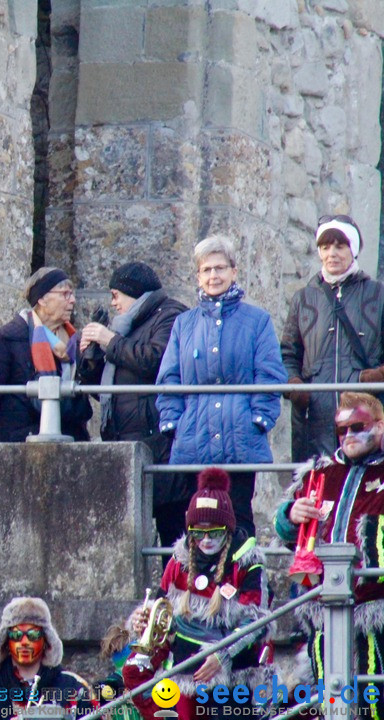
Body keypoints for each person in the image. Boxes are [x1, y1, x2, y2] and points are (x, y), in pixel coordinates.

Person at [156, 235, 286, 538]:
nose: (213, 276)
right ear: (198, 276)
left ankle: (245, 584)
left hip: (240, 436)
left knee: (239, 516)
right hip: (194, 437)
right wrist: (174, 422)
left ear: (234, 272)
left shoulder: (257, 321)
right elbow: (169, 378)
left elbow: (270, 374)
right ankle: (200, 584)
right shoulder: (184, 324)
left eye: (220, 268)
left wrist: (259, 419)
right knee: (198, 519)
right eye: (206, 270)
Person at [124, 468, 270, 720]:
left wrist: (221, 655)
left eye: (213, 532)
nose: (205, 540)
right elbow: (161, 610)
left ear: (228, 529)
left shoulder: (247, 563)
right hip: (186, 678)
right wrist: (141, 620)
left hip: (234, 679)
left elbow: (255, 622)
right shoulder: (178, 562)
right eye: (197, 532)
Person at [274, 392, 384, 690]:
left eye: (358, 427)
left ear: (380, 425)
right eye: (341, 430)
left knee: (371, 696)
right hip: (322, 605)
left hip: (375, 610)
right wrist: (290, 514)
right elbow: (284, 533)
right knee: (328, 695)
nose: (348, 436)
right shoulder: (319, 472)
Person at [78, 261, 188, 545]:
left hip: (161, 441)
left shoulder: (171, 314)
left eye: (116, 295)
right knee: (130, 538)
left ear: (134, 292)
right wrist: (90, 359)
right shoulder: (127, 325)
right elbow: (106, 389)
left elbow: (156, 361)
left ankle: (178, 588)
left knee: (172, 530)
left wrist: (109, 340)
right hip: (127, 440)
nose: (113, 304)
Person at [282, 215, 384, 463]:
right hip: (314, 417)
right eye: (325, 247)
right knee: (317, 492)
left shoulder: (378, 295)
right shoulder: (303, 299)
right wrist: (296, 387)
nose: (332, 254)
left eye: (340, 246)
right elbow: (287, 353)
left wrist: (376, 377)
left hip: (364, 415)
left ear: (354, 249)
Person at [0, 266, 92, 441]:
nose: (73, 300)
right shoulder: (5, 340)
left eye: (72, 294)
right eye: (65, 294)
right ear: (42, 299)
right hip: (20, 446)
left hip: (70, 442)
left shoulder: (74, 343)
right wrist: (7, 438)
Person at [0, 596, 91, 719]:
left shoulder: (74, 687)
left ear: (46, 639)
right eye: (16, 635)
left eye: (33, 634)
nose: (24, 642)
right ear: (5, 641)